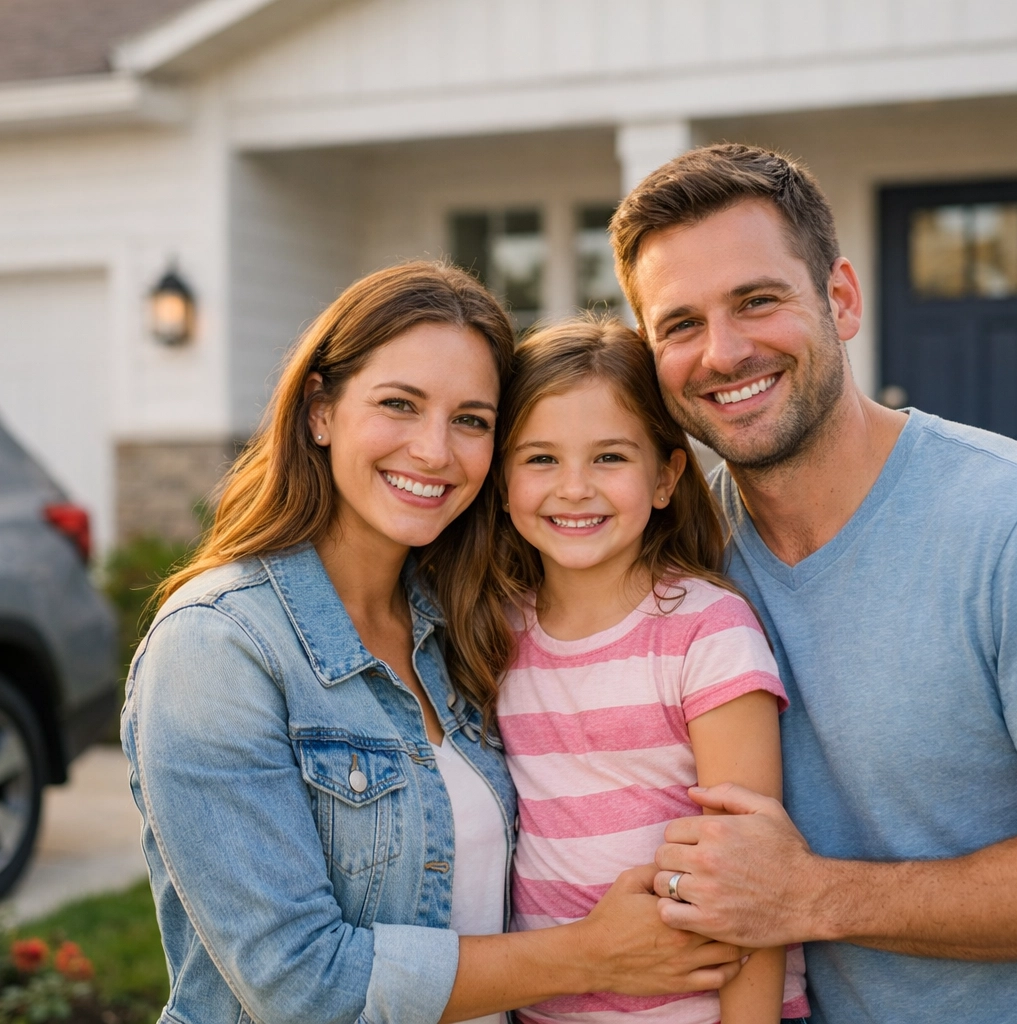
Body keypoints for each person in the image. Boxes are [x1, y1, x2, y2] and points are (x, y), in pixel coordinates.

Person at [605, 143, 1017, 1022]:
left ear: (840, 299)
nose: (724, 352)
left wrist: (811, 896)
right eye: (681, 325)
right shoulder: (684, 563)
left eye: (758, 301)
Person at [121, 261, 745, 1024]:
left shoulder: (466, 628)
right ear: (320, 410)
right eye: (399, 405)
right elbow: (299, 984)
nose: (434, 451)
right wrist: (590, 954)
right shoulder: (217, 648)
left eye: (471, 420)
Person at [490, 317, 810, 1024]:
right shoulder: (498, 634)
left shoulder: (706, 633)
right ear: (502, 479)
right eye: (540, 459)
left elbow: (752, 871)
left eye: (609, 458)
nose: (574, 488)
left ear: (665, 477)